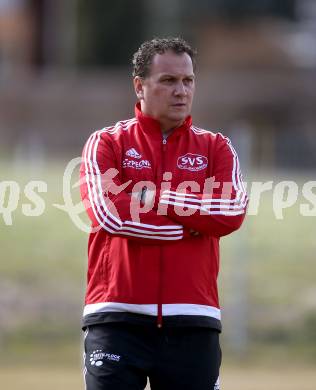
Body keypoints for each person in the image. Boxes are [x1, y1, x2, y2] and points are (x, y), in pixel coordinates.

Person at [80, 37, 248, 390]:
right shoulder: (106, 143)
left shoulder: (216, 147)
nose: (181, 91)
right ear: (140, 86)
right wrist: (188, 224)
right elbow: (108, 213)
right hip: (116, 319)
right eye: (168, 81)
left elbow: (230, 210)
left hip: (193, 320)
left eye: (188, 81)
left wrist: (155, 196)